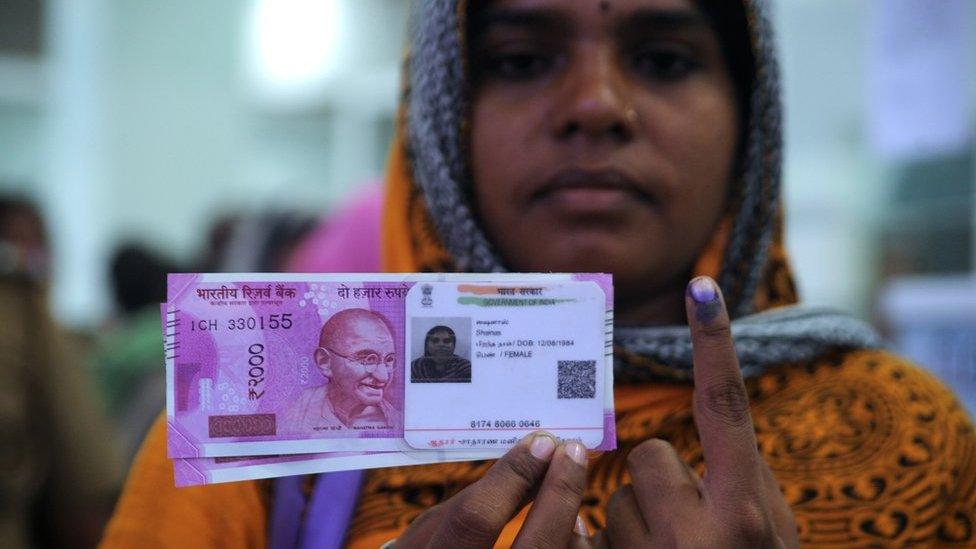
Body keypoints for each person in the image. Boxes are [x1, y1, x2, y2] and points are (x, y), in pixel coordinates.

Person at [101, 0, 976, 547]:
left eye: (665, 58)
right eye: (522, 59)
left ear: (752, 123)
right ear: (441, 116)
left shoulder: (912, 440)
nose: (597, 105)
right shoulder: (257, 426)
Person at [283, 308, 400, 431]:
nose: (383, 376)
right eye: (367, 359)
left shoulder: (398, 423)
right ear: (325, 362)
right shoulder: (294, 417)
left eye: (389, 360)